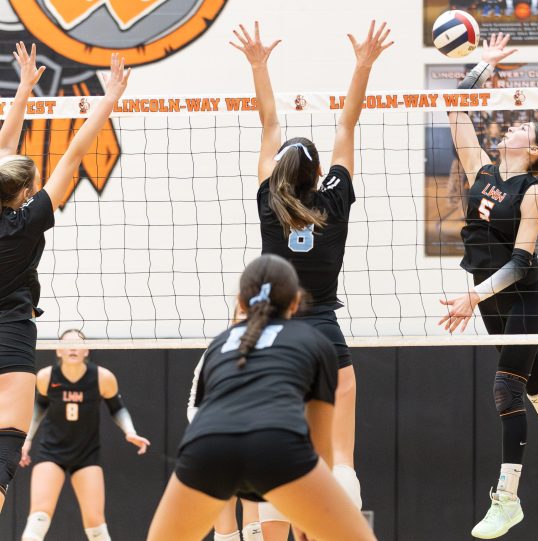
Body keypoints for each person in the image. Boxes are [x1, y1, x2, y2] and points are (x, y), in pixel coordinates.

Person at [230, 20, 392, 538]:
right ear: (320, 174)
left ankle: (271, 520)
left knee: (277, 440)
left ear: (278, 173)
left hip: (274, 334)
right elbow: (347, 126)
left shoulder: (268, 203)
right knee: (338, 454)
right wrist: (363, 65)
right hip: (324, 331)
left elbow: (269, 123)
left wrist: (258, 65)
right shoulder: (336, 200)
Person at [442, 32, 538, 539]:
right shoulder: (482, 170)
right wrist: (481, 65)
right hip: (490, 298)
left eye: (520, 124)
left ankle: (506, 498)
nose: (510, 123)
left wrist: (474, 295)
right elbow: (455, 111)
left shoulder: (533, 193)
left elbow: (518, 265)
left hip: (522, 295)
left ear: (531, 149)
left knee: (506, 387)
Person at [147, 254, 377, 541]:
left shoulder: (218, 345)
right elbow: (320, 449)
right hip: (276, 446)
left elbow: (204, 414)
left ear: (241, 303)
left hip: (207, 449)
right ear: (295, 303)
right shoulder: (318, 343)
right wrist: (310, 512)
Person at [0, 44, 129, 513]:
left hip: (12, 329)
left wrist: (23, 92)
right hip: (11, 332)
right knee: (4, 453)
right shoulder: (28, 221)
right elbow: (73, 156)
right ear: (28, 193)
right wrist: (108, 98)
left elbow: (4, 147)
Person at [19, 329, 150, 541]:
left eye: (78, 343)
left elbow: (117, 408)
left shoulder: (102, 378)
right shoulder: (45, 377)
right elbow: (38, 409)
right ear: (58, 351)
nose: (72, 347)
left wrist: (130, 432)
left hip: (87, 454)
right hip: (52, 452)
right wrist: (27, 440)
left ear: (87, 350)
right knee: (38, 519)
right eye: (66, 344)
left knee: (96, 526)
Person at [186, 306, 263, 541]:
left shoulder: (272, 350)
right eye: (240, 311)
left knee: (254, 516)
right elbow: (194, 400)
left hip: (255, 440)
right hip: (218, 438)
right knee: (223, 512)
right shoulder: (216, 349)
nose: (244, 316)